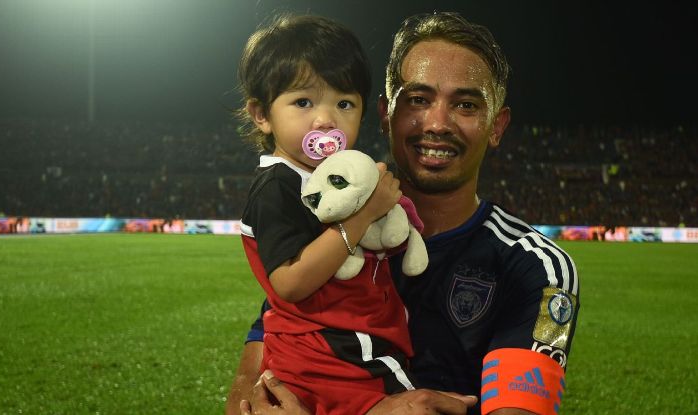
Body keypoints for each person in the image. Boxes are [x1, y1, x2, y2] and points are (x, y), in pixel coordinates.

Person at [227, 11, 580, 415]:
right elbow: (248, 395)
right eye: (418, 99)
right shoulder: (325, 226)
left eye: (465, 104)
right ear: (384, 113)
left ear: (496, 127)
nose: (437, 123)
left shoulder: (538, 269)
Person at [235, 14, 422, 415]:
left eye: (344, 103)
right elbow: (288, 282)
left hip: (328, 349)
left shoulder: (325, 173)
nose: (325, 119)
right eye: (303, 102)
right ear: (261, 114)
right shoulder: (278, 185)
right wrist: (363, 216)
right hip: (338, 352)